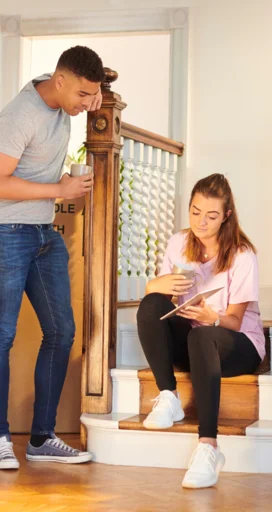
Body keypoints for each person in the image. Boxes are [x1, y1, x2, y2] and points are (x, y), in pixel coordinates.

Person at [0, 46, 104, 470]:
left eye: (91, 95)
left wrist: (95, 98)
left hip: (43, 234)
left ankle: (41, 437)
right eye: (82, 94)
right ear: (59, 82)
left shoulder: (62, 102)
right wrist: (60, 192)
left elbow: (78, 91)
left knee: (62, 331)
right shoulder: (20, 115)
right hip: (8, 233)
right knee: (2, 336)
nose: (86, 103)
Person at [137, 173, 265, 489]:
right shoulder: (179, 243)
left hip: (237, 343)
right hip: (195, 343)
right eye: (195, 212)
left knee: (203, 333)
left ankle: (208, 446)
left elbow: (235, 320)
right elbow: (160, 303)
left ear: (227, 216)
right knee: (151, 304)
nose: (201, 222)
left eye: (211, 216)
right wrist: (155, 286)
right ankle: (168, 395)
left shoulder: (242, 254)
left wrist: (213, 317)